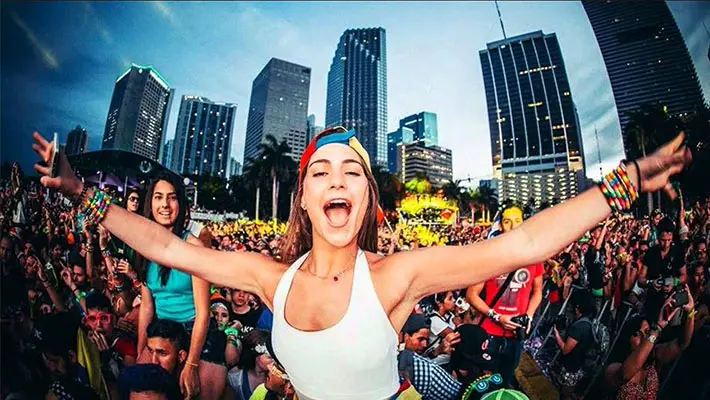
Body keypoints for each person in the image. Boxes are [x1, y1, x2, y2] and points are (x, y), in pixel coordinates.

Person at [32, 127, 691, 399]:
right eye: (321, 171)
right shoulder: (269, 277)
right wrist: (80, 192)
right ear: (305, 198)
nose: (337, 179)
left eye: (352, 170)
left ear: (367, 197)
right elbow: (167, 247)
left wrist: (624, 184)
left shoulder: (396, 276)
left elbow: (521, 247)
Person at [131, 174, 227, 399]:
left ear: (181, 204)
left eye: (172, 197)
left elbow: (203, 313)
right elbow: (147, 307)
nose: (165, 204)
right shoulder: (143, 246)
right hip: (161, 329)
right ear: (150, 203)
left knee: (194, 392)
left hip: (195, 329)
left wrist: (191, 364)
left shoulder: (194, 246)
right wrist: (141, 350)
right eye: (158, 197)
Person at [465, 205, 544, 387]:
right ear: (500, 226)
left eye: (517, 221)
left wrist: (529, 316)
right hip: (489, 334)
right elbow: (471, 294)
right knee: (484, 384)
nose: (513, 226)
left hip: (516, 335)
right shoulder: (489, 257)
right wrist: (496, 316)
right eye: (508, 221)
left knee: (505, 380)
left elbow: (537, 291)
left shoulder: (534, 257)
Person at [604, 287, 695, 400]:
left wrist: (690, 313)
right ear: (627, 339)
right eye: (637, 334)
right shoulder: (613, 369)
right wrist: (657, 328)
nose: (644, 338)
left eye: (647, 332)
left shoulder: (655, 356)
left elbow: (682, 344)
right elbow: (625, 375)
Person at [551, 290, 596, 400]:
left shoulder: (579, 327)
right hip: (579, 366)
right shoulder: (588, 322)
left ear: (577, 308)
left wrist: (556, 334)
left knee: (565, 395)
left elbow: (565, 349)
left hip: (572, 368)